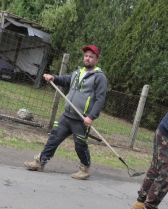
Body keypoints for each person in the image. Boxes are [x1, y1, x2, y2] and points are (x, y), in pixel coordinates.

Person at [24, 45, 108, 180]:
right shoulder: (78, 72)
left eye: (91, 57)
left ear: (96, 60)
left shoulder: (99, 77)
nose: (87, 58)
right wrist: (53, 78)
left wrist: (91, 117)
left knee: (80, 145)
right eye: (86, 56)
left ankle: (85, 169)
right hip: (67, 115)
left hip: (81, 119)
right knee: (53, 138)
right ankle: (40, 163)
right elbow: (66, 80)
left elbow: (100, 99)